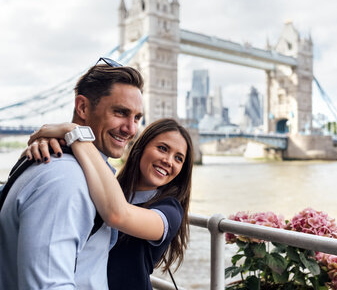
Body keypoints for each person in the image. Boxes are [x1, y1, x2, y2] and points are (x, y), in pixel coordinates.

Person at [0, 58, 144, 289]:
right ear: (83, 107)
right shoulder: (66, 180)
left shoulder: (58, 165)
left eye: (137, 117)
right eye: (120, 112)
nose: (131, 129)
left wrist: (72, 132)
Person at [26, 118, 194, 290]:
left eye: (178, 158)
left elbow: (118, 215)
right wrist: (49, 147)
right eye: (162, 148)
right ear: (141, 147)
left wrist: (75, 134)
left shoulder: (170, 211)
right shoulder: (110, 189)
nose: (169, 161)